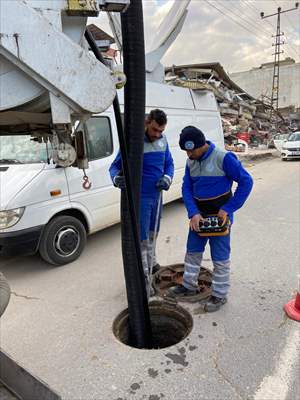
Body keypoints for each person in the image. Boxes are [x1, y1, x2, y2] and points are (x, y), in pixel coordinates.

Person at [169, 126, 253, 312]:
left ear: (202, 145)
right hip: (198, 216)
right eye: (186, 151)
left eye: (191, 150)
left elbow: (246, 181)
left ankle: (219, 295)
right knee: (192, 252)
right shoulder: (191, 162)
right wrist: (193, 212)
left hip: (220, 217)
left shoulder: (223, 158)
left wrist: (228, 208)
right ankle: (188, 286)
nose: (189, 154)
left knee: (220, 257)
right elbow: (187, 189)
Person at [109, 109, 174, 292]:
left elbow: (169, 163)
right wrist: (116, 179)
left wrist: (167, 178)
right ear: (147, 123)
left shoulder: (163, 141)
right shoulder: (133, 143)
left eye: (160, 131)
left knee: (153, 234)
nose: (157, 134)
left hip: (157, 197)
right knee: (143, 239)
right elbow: (114, 167)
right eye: (154, 130)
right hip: (141, 199)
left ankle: (152, 264)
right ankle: (144, 282)